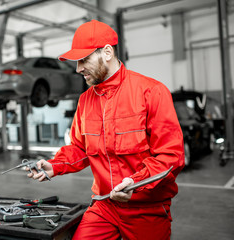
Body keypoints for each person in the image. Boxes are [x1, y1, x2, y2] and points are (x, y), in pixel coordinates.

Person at [27, 19, 185, 240]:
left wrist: (136, 183)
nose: (78, 68)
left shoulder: (152, 92)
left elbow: (171, 156)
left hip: (146, 208)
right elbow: (80, 149)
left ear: (107, 52)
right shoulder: (85, 101)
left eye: (84, 60)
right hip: (104, 206)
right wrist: (54, 165)